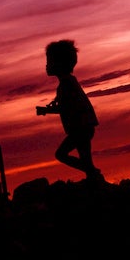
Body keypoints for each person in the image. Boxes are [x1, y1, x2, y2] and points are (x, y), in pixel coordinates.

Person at [36, 39, 105, 184]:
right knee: (85, 157)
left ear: (60, 64)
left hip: (80, 128)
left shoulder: (66, 84)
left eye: (50, 61)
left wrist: (46, 110)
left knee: (61, 154)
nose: (47, 65)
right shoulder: (68, 82)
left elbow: (66, 107)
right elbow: (66, 106)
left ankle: (92, 172)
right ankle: (93, 178)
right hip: (83, 127)